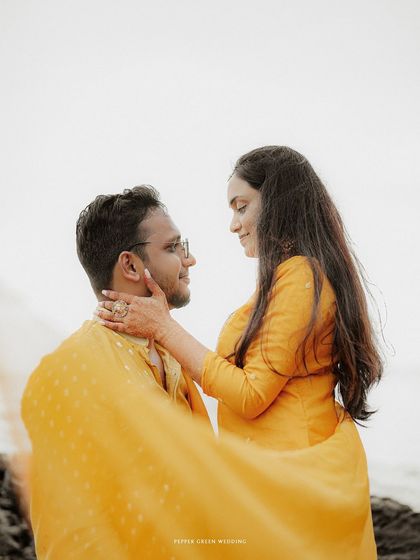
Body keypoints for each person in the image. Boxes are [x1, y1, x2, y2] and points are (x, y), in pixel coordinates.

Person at [97, 146, 383, 453]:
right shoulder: (289, 277)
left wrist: (163, 328)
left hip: (294, 472)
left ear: (279, 204)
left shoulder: (301, 276)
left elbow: (250, 394)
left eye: (242, 207)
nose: (233, 225)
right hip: (280, 467)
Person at [21, 186, 210, 558]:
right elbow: (67, 527)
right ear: (130, 266)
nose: (190, 261)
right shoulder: (71, 367)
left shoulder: (175, 358)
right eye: (173, 248)